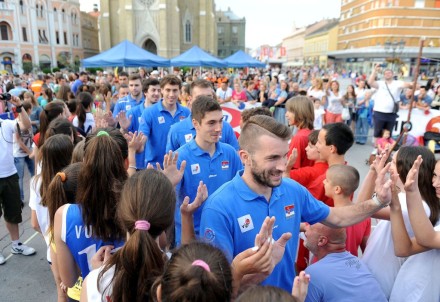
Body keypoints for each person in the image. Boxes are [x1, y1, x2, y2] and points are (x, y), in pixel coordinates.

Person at [200, 115, 393, 292]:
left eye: (285, 155)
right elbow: (216, 287)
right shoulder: (218, 208)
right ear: (245, 157)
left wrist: (378, 201)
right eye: (273, 158)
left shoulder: (292, 189)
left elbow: (337, 217)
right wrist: (259, 269)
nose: (283, 166)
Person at [80, 169, 176, 302]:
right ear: (169, 221)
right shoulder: (185, 276)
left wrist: (102, 275)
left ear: (121, 216)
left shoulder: (93, 284)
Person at [360, 147, 439, 299]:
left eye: (393, 163)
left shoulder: (415, 205)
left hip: (382, 276)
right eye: (434, 176)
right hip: (384, 274)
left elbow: (362, 209)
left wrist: (374, 173)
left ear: (406, 168)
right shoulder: (406, 199)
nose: (389, 166)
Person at [54, 128, 128, 290]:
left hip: (91, 294)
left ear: (85, 164)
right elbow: (162, 246)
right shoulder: (137, 206)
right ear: (126, 163)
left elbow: (69, 280)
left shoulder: (64, 215)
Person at [174, 95, 243, 246]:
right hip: (191, 239)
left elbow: (241, 191)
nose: (218, 128)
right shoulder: (180, 157)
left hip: (225, 235)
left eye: (220, 121)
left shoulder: (230, 153)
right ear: (196, 124)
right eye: (211, 123)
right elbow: (169, 203)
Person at [386, 153, 440, 302]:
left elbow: (427, 238)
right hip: (406, 288)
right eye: (435, 175)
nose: (435, 183)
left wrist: (412, 192)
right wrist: (395, 206)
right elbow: (404, 249)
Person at [303, 223, 387, 302]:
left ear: (321, 241)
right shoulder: (358, 262)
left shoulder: (312, 273)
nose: (305, 228)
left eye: (310, 226)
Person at [0, 94, 35, 265]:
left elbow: (26, 125)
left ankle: (16, 244)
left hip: (10, 174)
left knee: (13, 213)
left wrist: (19, 106)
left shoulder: (5, 124)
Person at [166, 79, 239, 152]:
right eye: (200, 98)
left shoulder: (226, 128)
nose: (205, 101)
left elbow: (235, 157)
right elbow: (171, 160)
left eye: (209, 97)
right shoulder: (176, 130)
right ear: (190, 99)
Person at [138, 75, 191, 168]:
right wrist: (137, 145)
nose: (171, 94)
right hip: (156, 167)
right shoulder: (149, 112)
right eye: (168, 90)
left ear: (179, 91)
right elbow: (142, 140)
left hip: (180, 166)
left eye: (175, 90)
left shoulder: (186, 112)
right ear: (161, 90)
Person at [323, 165, 370, 256]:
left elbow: (301, 227)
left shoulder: (327, 215)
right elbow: (366, 249)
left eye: (327, 180)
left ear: (337, 189)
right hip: (350, 266)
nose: (323, 182)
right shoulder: (365, 216)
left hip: (325, 266)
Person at [307, 123, 354, 207]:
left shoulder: (326, 179)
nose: (316, 145)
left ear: (332, 148)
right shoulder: (349, 174)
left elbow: (304, 205)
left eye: (319, 142)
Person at [118, 78, 161, 169]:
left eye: (159, 90)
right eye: (153, 90)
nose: (156, 94)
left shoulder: (164, 113)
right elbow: (122, 139)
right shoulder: (132, 113)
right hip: (138, 165)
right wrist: (124, 129)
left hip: (157, 166)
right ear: (145, 92)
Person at [368, 65, 412, 145]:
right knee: (377, 132)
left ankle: (386, 150)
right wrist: (375, 71)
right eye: (386, 73)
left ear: (393, 74)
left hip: (391, 113)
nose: (387, 74)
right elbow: (370, 82)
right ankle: (376, 149)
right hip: (379, 112)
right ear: (383, 75)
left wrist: (412, 84)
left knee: (388, 133)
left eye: (389, 73)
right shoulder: (380, 83)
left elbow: (408, 85)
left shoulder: (397, 83)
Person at [285, 96, 315, 170]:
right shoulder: (311, 133)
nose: (286, 114)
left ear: (300, 113)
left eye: (290, 111)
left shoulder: (299, 138)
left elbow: (291, 168)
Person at [13, 101, 34, 203]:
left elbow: (31, 135)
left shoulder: (27, 120)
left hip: (28, 151)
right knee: (19, 178)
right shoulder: (16, 123)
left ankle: (36, 194)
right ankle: (20, 200)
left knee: (34, 174)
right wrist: (30, 152)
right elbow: (19, 141)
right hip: (19, 154)